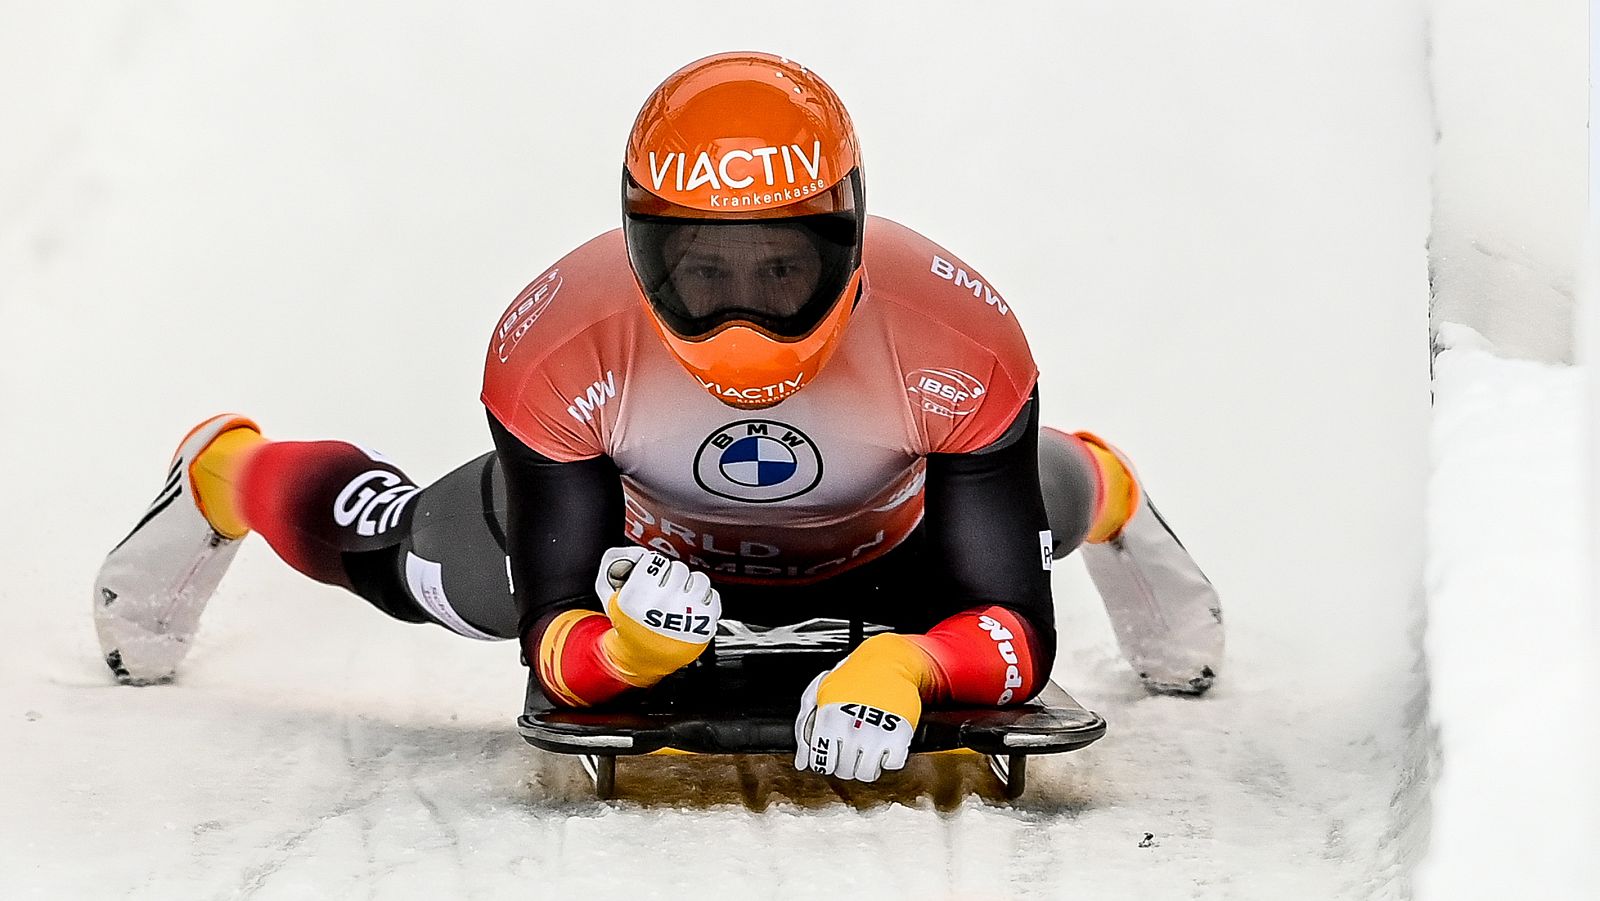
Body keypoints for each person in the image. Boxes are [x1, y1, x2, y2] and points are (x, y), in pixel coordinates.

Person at [93, 51, 1224, 785]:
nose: (742, 320)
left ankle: (1107, 483)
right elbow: (553, 640)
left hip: (897, 547)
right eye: (701, 270)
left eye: (781, 268)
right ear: (641, 252)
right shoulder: (552, 345)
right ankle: (223, 471)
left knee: (1047, 492)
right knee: (408, 559)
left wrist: (914, 672)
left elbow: (1014, 634)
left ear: (848, 244)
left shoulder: (963, 342)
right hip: (640, 558)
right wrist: (627, 644)